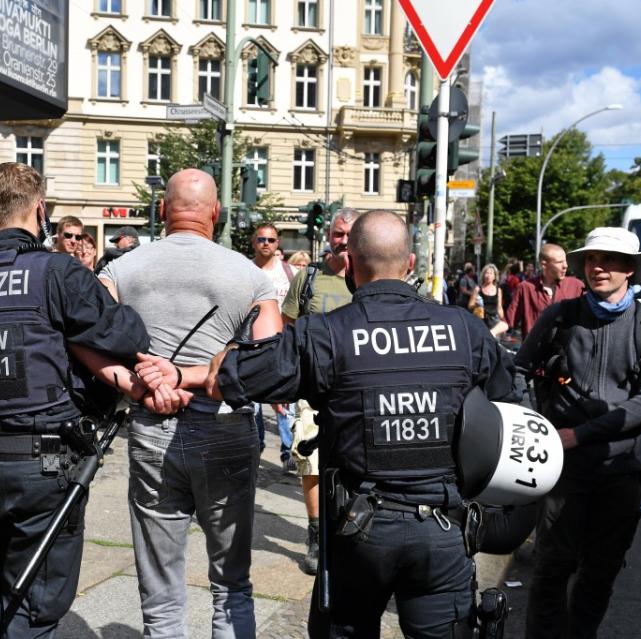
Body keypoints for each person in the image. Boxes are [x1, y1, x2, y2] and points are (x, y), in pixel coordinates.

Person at [207, 210, 516, 638]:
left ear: (349, 263)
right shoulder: (466, 330)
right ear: (411, 264)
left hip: (361, 532)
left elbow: (228, 379)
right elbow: (511, 418)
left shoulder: (326, 333)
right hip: (445, 532)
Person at [0, 162, 150, 637]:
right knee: (33, 602)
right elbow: (124, 334)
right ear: (40, 210)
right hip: (43, 468)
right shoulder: (56, 272)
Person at [100, 168, 282, 638]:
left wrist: (136, 386)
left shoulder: (121, 269)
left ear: (162, 211)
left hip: (152, 428)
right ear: (216, 214)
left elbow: (86, 337)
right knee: (232, 584)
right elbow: (271, 364)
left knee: (160, 595)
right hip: (225, 428)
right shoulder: (250, 276)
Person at [516, 227, 641, 639]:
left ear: (630, 269)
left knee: (600, 572)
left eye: (611, 260)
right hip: (563, 468)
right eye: (593, 259)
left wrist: (580, 434)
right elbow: (518, 371)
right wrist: (534, 424)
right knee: (550, 570)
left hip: (620, 468)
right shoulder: (560, 315)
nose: (599, 267)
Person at [280, 208, 358, 576]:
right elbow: (288, 332)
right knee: (310, 464)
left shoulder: (367, 278)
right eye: (337, 234)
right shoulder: (308, 278)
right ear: (329, 235)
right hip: (312, 389)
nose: (342, 240)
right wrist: (282, 380)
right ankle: (316, 534)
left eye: (349, 235)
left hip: (356, 389)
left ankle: (351, 530)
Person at [250, 223, 297, 471]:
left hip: (282, 347)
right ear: (253, 243)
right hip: (251, 348)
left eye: (271, 240)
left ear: (278, 243)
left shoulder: (289, 273)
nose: (266, 243)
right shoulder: (244, 270)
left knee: (283, 403)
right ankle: (255, 448)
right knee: (252, 406)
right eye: (261, 239)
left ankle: (288, 452)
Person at [506, 243, 584, 337]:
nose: (565, 266)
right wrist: (491, 333)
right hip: (534, 349)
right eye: (560, 262)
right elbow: (509, 320)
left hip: (567, 350)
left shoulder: (576, 286)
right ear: (544, 264)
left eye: (565, 261)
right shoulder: (525, 287)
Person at [470, 263, 509, 336]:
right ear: (483, 275)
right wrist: (476, 304)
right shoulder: (478, 289)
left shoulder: (498, 290)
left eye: (491, 273)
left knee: (504, 327)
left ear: (495, 276)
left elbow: (499, 307)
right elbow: (470, 305)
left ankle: (491, 334)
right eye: (486, 273)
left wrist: (502, 319)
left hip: (494, 321)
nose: (488, 275)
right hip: (480, 320)